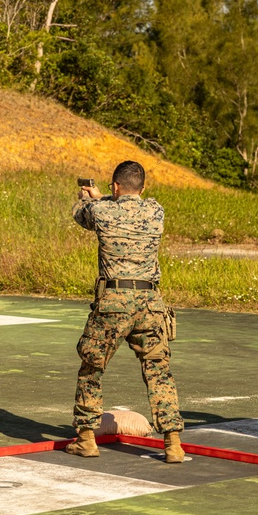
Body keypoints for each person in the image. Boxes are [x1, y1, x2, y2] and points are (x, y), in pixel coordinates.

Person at [66, 160, 185, 463]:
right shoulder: (156, 211)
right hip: (150, 302)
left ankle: (86, 438)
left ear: (115, 187)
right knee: (159, 373)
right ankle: (173, 443)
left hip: (113, 302)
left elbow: (82, 214)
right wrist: (106, 196)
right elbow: (131, 204)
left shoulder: (101, 210)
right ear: (142, 188)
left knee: (91, 369)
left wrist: (90, 197)